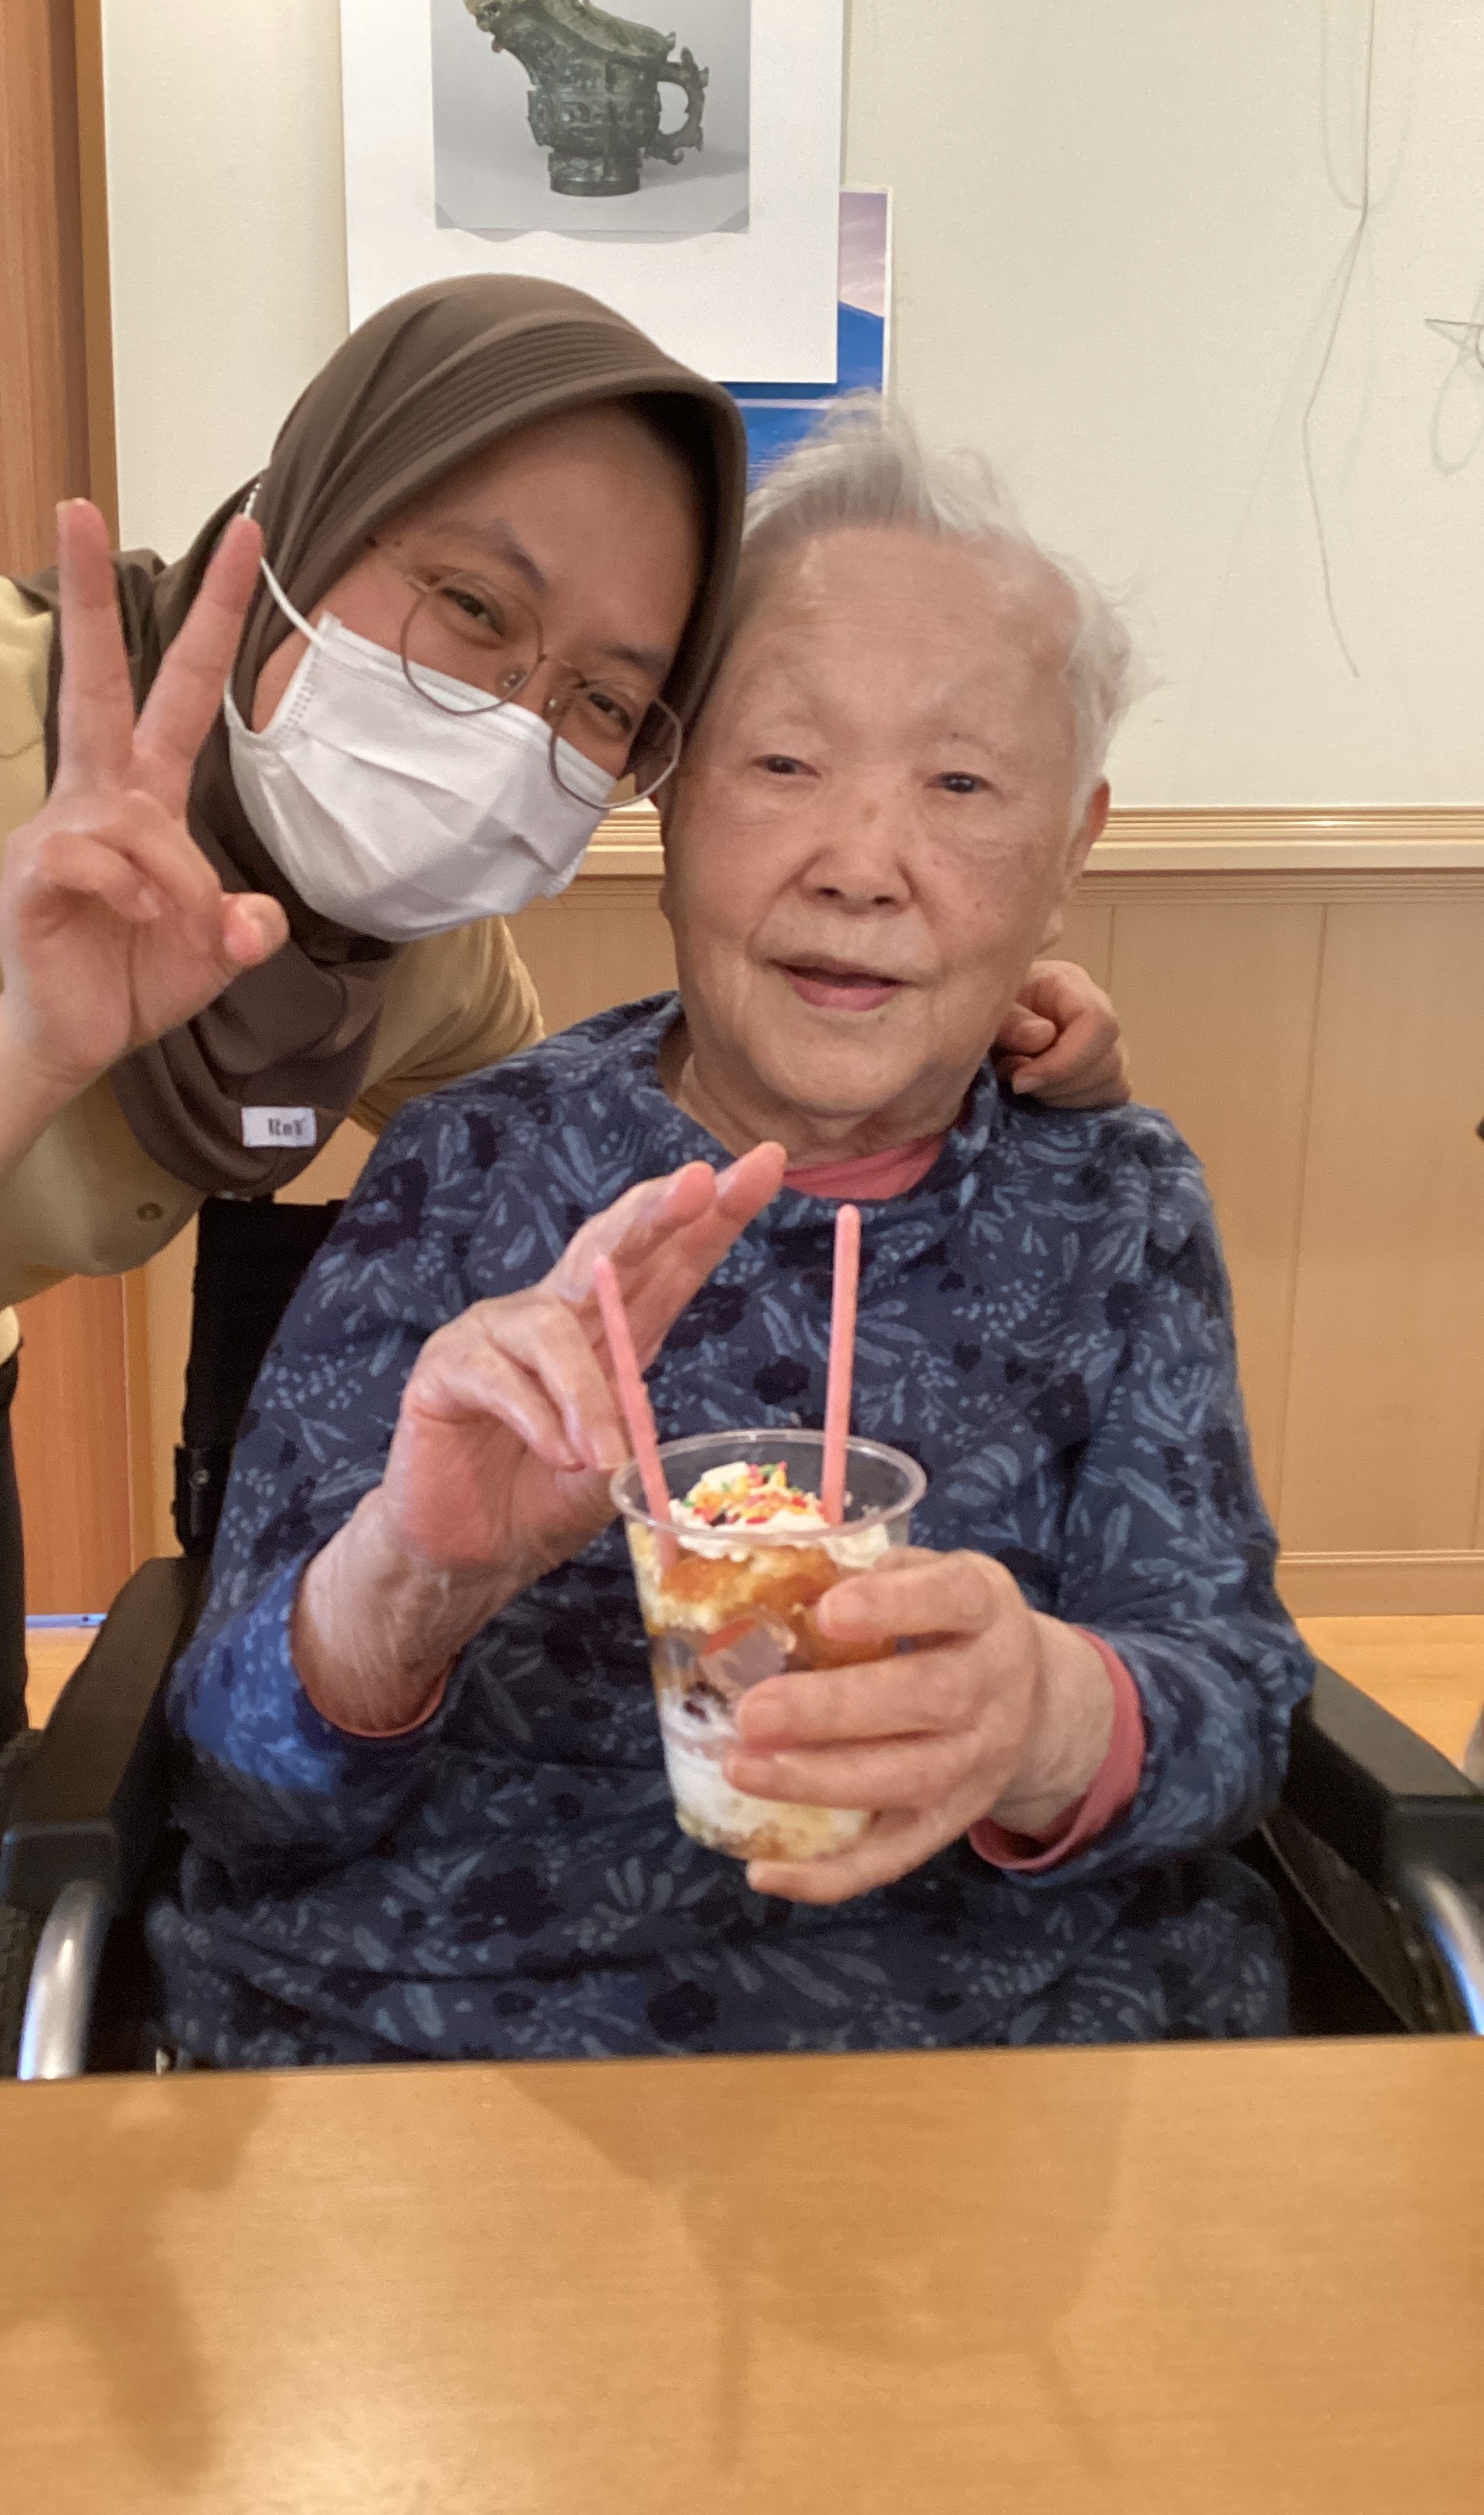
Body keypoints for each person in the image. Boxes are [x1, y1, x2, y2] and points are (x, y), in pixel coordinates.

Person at [0, 275, 1119, 2095]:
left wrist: (972, 1061)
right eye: (473, 606)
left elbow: (610, 1155)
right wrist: (31, 1048)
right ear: (312, 521)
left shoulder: (407, 953)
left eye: (607, 700)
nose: (515, 721)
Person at [147, 402, 1316, 2067]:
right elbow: (231, 1778)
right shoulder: (474, 1164)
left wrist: (1051, 1714)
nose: (861, 865)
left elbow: (1238, 1707)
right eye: (782, 763)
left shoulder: (1114, 1206)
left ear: (1072, 853)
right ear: (672, 799)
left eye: (962, 783)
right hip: (450, 2047)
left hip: (1005, 2063)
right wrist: (415, 1574)